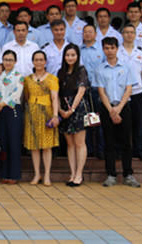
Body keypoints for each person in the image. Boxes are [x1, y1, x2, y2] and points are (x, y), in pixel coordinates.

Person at [94, 37, 140, 188]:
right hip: (107, 108)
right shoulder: (100, 69)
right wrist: (111, 111)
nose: (110, 51)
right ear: (103, 49)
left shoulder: (126, 67)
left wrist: (118, 109)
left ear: (117, 48)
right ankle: (111, 174)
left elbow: (129, 89)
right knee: (109, 142)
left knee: (126, 142)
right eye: (107, 48)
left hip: (123, 107)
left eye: (112, 48)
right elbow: (101, 92)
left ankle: (128, 174)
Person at [23, 50, 59, 186]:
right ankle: (37, 173)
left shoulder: (52, 79)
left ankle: (47, 174)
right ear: (33, 62)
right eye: (36, 60)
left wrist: (55, 115)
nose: (38, 62)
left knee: (47, 146)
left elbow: (54, 98)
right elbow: (26, 96)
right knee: (34, 146)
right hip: (32, 114)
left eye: (41, 60)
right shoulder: (27, 79)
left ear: (45, 62)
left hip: (47, 114)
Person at [57, 44, 89, 187]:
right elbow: (57, 93)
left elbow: (81, 91)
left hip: (78, 108)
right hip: (63, 109)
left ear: (77, 56)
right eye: (68, 55)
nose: (70, 58)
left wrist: (72, 109)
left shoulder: (81, 71)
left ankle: (79, 174)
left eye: (73, 55)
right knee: (70, 144)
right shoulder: (61, 72)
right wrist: (60, 110)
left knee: (79, 143)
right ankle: (72, 173)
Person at [118, 24, 142, 160]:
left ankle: (138, 149)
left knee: (138, 122)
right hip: (121, 92)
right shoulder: (117, 52)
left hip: (137, 91)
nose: (129, 35)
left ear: (135, 35)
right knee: (122, 123)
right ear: (122, 34)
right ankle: (123, 150)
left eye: (132, 32)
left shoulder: (141, 52)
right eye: (126, 32)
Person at [0, 50, 25, 184]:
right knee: (3, 142)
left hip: (13, 110)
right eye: (5, 60)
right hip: (0, 111)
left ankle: (14, 174)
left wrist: (2, 103)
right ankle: (4, 173)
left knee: (14, 142)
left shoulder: (19, 76)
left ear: (15, 61)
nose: (8, 62)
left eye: (10, 60)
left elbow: (16, 94)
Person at [80, 23, 105, 158]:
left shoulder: (101, 50)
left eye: (90, 31)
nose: (88, 34)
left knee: (98, 120)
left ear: (95, 34)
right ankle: (89, 149)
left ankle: (100, 149)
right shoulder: (79, 50)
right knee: (86, 120)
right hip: (83, 90)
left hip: (97, 89)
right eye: (85, 32)